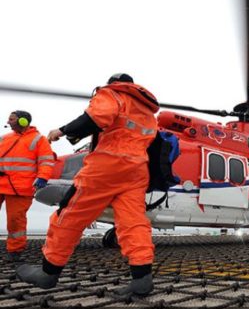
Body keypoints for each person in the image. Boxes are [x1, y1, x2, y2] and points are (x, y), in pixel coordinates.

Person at [16, 73, 160, 296]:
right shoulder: (148, 113)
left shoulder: (113, 93)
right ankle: (142, 277)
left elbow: (96, 118)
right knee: (133, 222)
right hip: (137, 170)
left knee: (70, 214)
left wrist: (62, 131)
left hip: (107, 165)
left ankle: (48, 272)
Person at [0, 111, 55, 262]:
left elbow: (46, 161)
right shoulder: (4, 138)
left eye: (11, 119)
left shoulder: (38, 139)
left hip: (20, 187)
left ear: (24, 121)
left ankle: (15, 251)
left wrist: (43, 177)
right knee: (15, 220)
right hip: (1, 183)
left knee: (15, 220)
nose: (8, 121)